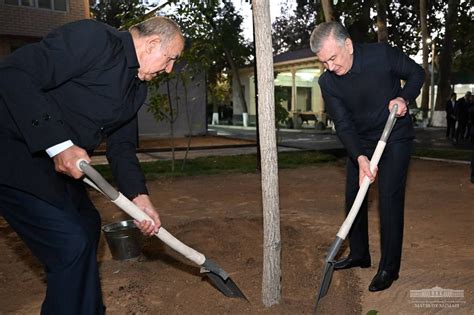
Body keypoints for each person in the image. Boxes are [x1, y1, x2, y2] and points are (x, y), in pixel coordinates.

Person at [0, 16, 184, 314]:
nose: (170, 69)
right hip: (15, 155)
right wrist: (59, 144)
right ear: (152, 43)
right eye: (171, 58)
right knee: (69, 243)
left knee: (87, 226)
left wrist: (140, 198)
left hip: (58, 169)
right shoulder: (95, 39)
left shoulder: (137, 89)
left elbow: (121, 148)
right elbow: (13, 73)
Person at [310, 22, 425, 292]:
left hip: (394, 134)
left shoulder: (381, 55)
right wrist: (360, 157)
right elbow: (343, 123)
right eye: (323, 62)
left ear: (347, 45)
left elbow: (416, 73)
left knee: (389, 199)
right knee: (354, 197)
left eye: (333, 58)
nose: (330, 66)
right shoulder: (327, 82)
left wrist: (404, 98)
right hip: (360, 141)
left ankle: (389, 268)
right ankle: (360, 254)